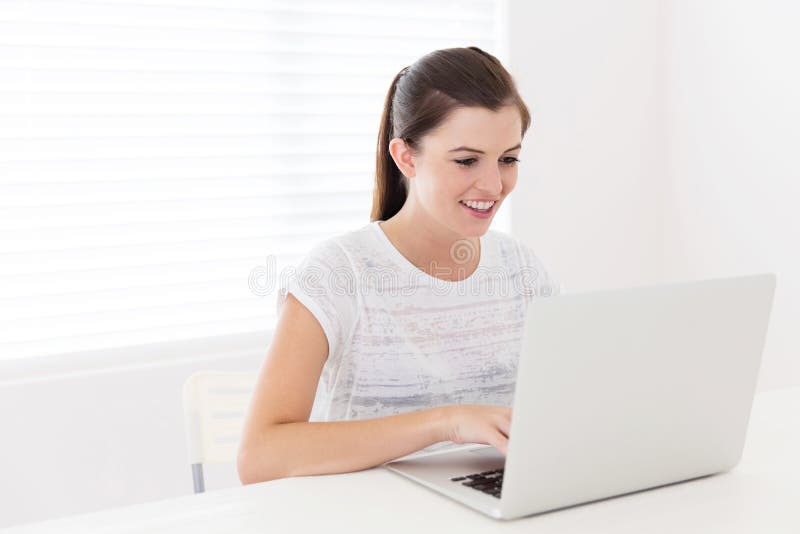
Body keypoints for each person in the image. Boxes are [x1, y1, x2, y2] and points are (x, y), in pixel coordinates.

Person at [237, 46, 560, 484]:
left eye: (508, 159)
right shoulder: (337, 274)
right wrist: (445, 423)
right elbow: (260, 457)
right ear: (406, 157)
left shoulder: (520, 270)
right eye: (466, 160)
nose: (493, 184)